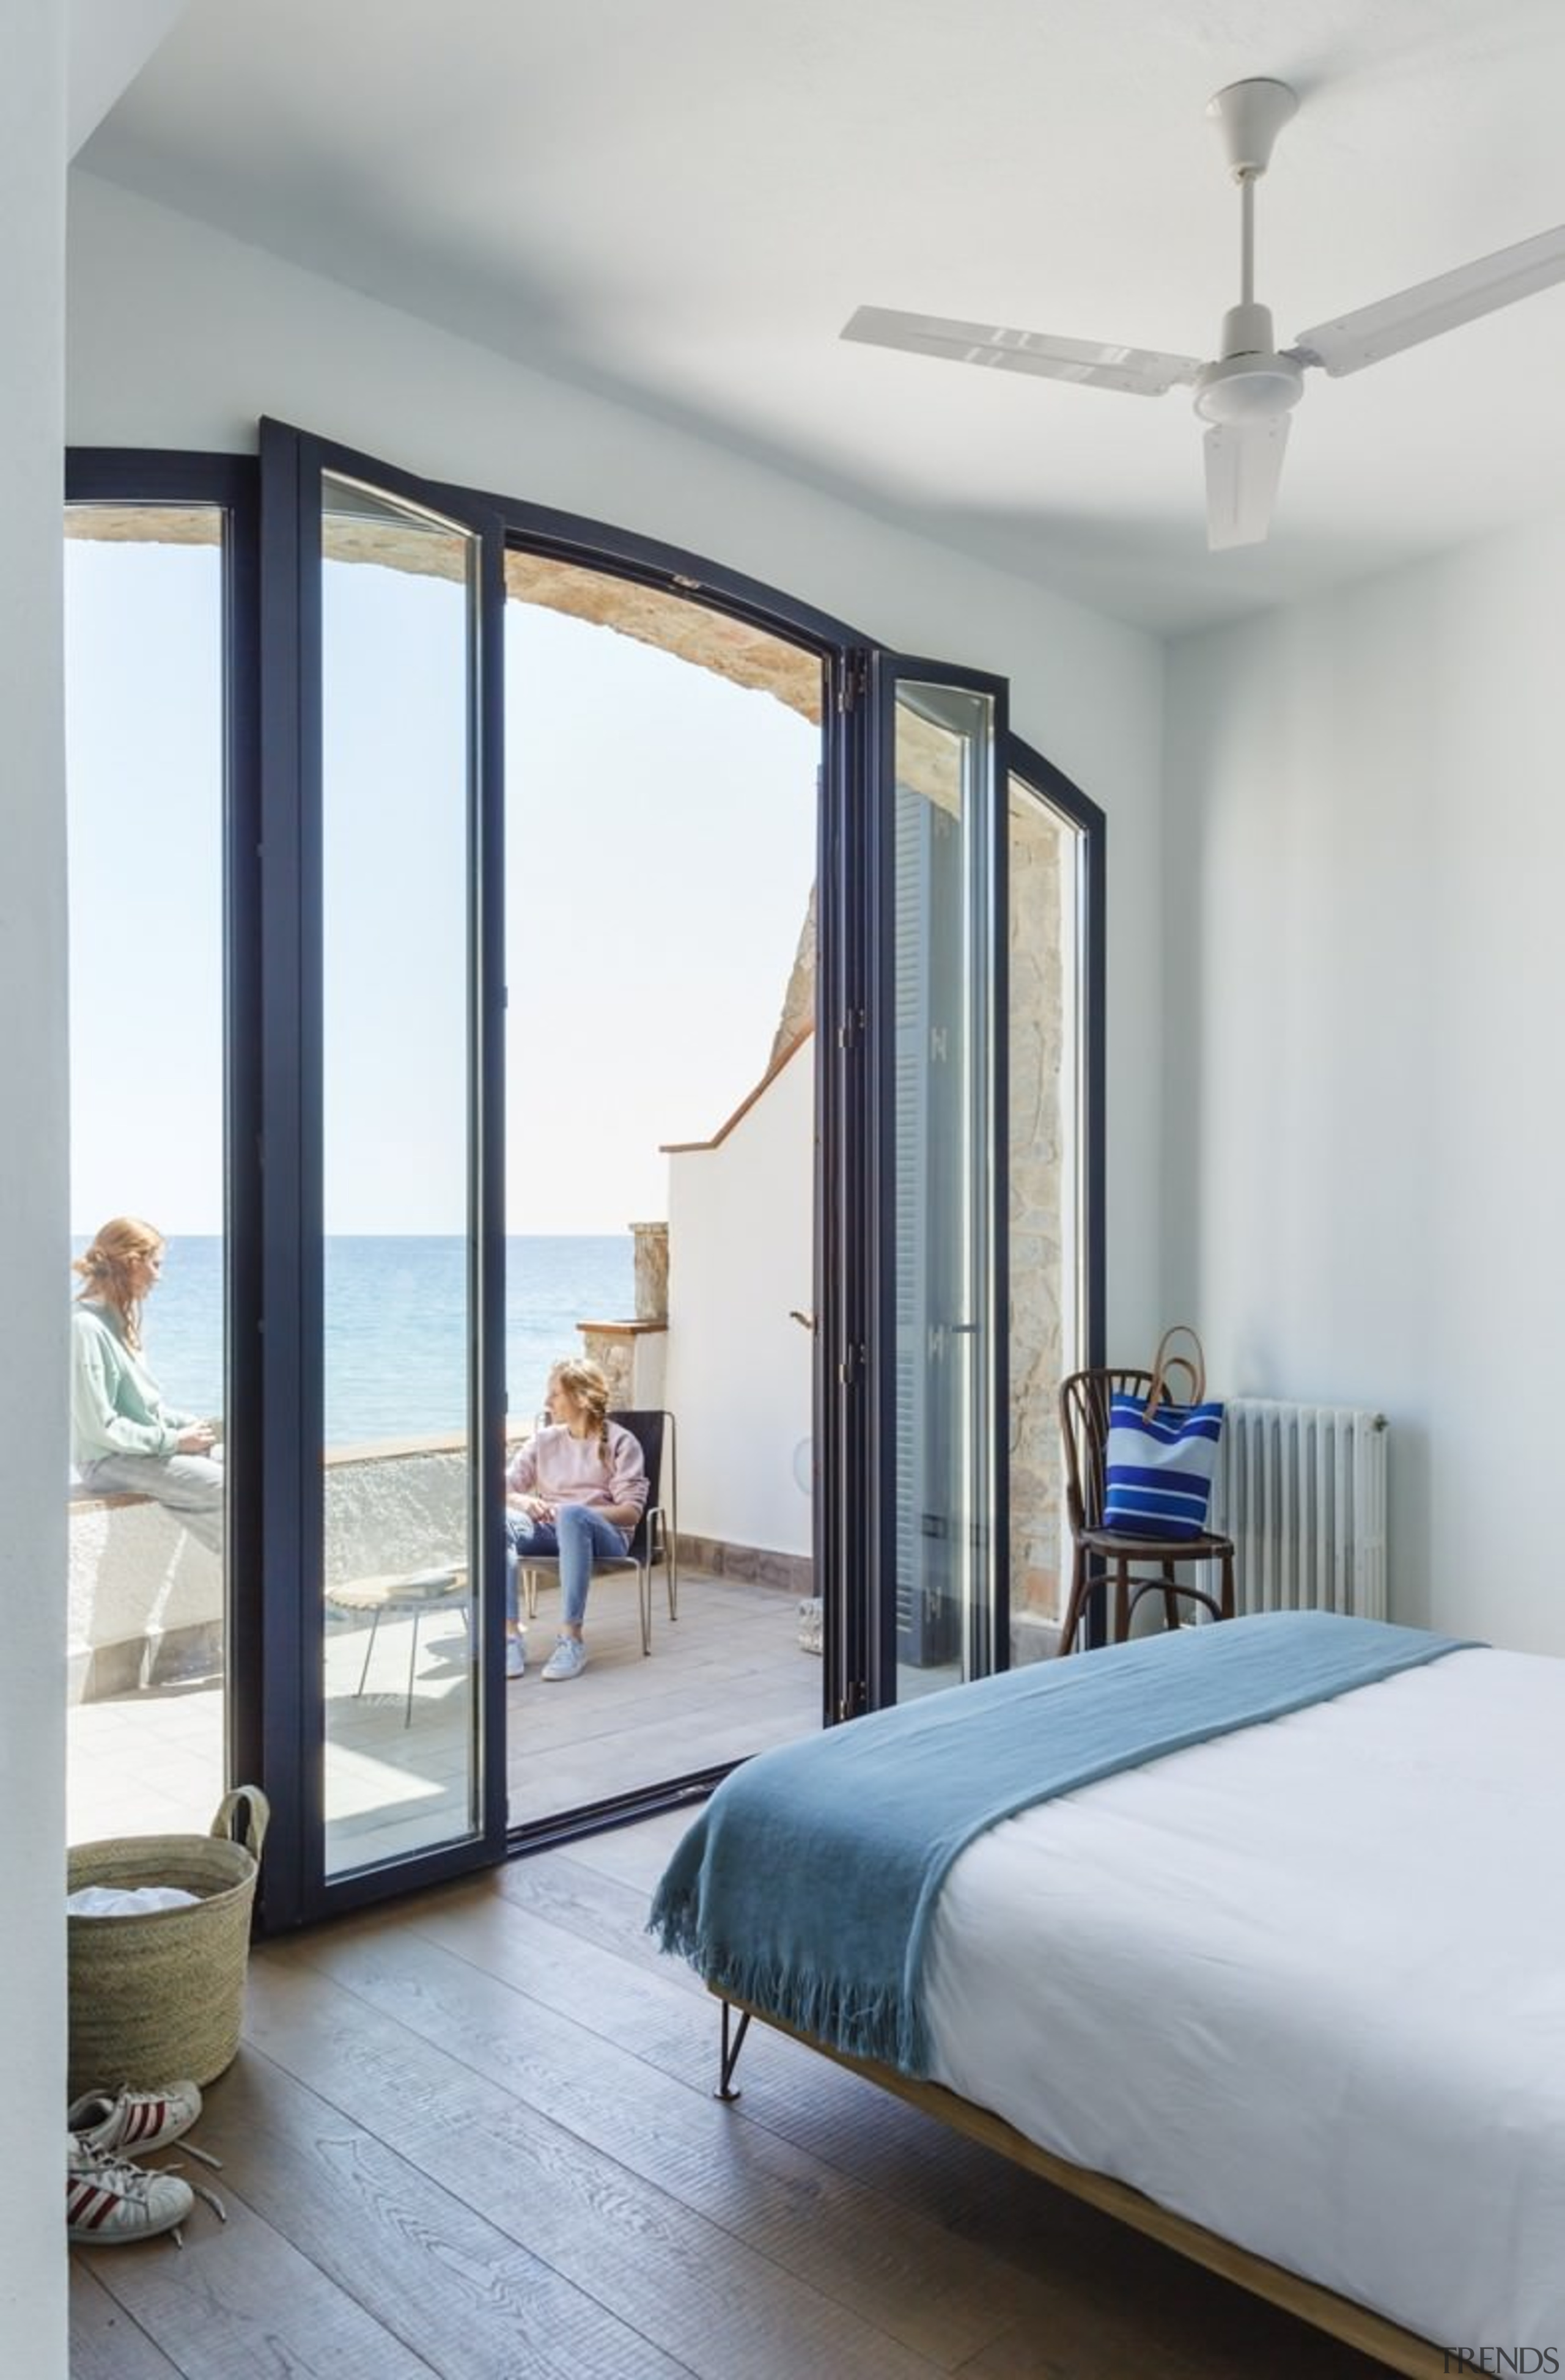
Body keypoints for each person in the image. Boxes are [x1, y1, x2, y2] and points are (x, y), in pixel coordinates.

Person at [71, 1216, 224, 1557]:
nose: (159, 1275)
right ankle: (250, 1588)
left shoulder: (117, 1319)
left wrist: (185, 1426)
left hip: (136, 1450)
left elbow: (141, 1407)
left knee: (245, 1464)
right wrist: (173, 1441)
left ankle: (245, 1571)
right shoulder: (85, 1327)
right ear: (132, 1262)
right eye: (155, 1264)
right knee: (227, 1489)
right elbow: (101, 1427)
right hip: (107, 1461)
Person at [504, 1356, 647, 1681]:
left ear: (581, 1397)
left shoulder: (622, 1442)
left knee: (571, 1515)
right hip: (551, 1532)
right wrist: (523, 1500)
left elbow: (631, 1512)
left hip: (606, 1538)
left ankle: (572, 1639)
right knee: (497, 1522)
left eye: (554, 1394)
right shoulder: (544, 1440)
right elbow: (501, 1487)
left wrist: (573, 1514)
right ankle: (510, 1638)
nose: (546, 1402)